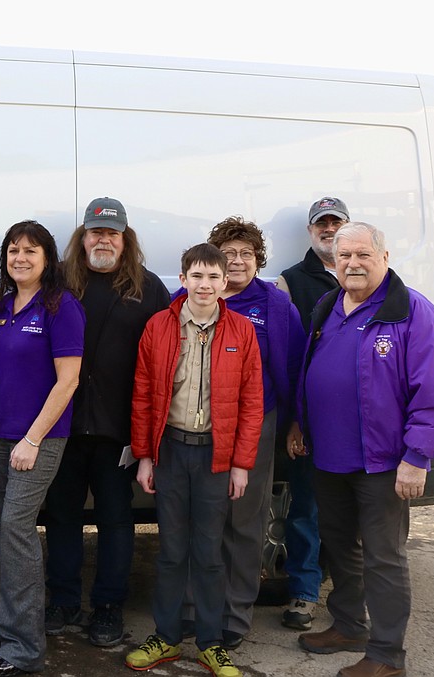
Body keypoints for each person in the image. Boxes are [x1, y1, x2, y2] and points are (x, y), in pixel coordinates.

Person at [291, 222, 434, 677]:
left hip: (384, 462)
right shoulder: (329, 306)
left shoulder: (412, 312)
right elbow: (314, 372)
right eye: (344, 256)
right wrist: (301, 425)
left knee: (384, 557)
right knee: (341, 547)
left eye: (363, 255)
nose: (353, 264)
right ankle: (348, 626)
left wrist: (417, 457)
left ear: (384, 257)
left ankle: (387, 656)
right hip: (329, 457)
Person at [124, 243, 262, 677]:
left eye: (213, 278)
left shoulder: (242, 331)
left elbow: (251, 402)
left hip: (215, 457)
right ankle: (165, 637)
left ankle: (210, 642)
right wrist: (145, 457)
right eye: (196, 277)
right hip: (171, 452)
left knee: (209, 553)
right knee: (170, 550)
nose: (205, 285)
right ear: (182, 280)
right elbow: (143, 395)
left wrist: (241, 463)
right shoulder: (159, 327)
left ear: (226, 284)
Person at [42, 198, 169, 647]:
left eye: (112, 233)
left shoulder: (149, 288)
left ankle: (109, 607)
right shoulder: (57, 283)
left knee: (117, 520)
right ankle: (62, 600)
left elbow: (163, 359)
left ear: (125, 239)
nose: (103, 240)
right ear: (83, 236)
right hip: (65, 424)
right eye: (95, 232)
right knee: (61, 517)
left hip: (120, 428)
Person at [177, 217, 305, 649]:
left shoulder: (274, 306)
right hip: (197, 425)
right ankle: (193, 611)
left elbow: (293, 368)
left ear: (258, 260)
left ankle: (234, 615)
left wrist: (294, 421)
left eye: (245, 254)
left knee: (244, 521)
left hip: (255, 423)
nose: (235, 261)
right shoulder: (187, 299)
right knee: (199, 520)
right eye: (227, 254)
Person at [0, 220, 84, 677]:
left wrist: (33, 438)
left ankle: (25, 648)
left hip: (37, 440)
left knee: (17, 532)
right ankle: (10, 628)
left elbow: (69, 380)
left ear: (47, 259)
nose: (20, 258)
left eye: (31, 251)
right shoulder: (1, 307)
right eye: (13, 250)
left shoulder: (62, 306)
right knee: (5, 534)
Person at [275, 196, 347, 630]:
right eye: (321, 223)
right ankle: (304, 593)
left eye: (336, 222)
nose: (328, 229)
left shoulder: (370, 278)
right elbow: (291, 357)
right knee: (305, 510)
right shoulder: (290, 282)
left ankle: (352, 601)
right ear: (310, 231)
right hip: (312, 416)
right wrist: (297, 420)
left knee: (359, 514)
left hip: (358, 422)